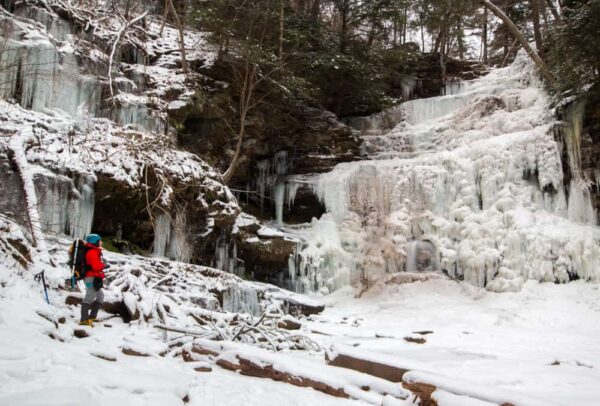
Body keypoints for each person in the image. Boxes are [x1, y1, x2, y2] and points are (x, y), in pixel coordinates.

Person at [80, 234, 107, 326]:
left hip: (94, 277)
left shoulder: (95, 251)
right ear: (95, 242)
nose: (101, 242)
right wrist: (104, 265)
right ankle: (84, 320)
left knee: (100, 296)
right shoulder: (92, 252)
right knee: (89, 297)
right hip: (90, 278)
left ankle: (92, 317)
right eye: (99, 240)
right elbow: (96, 266)